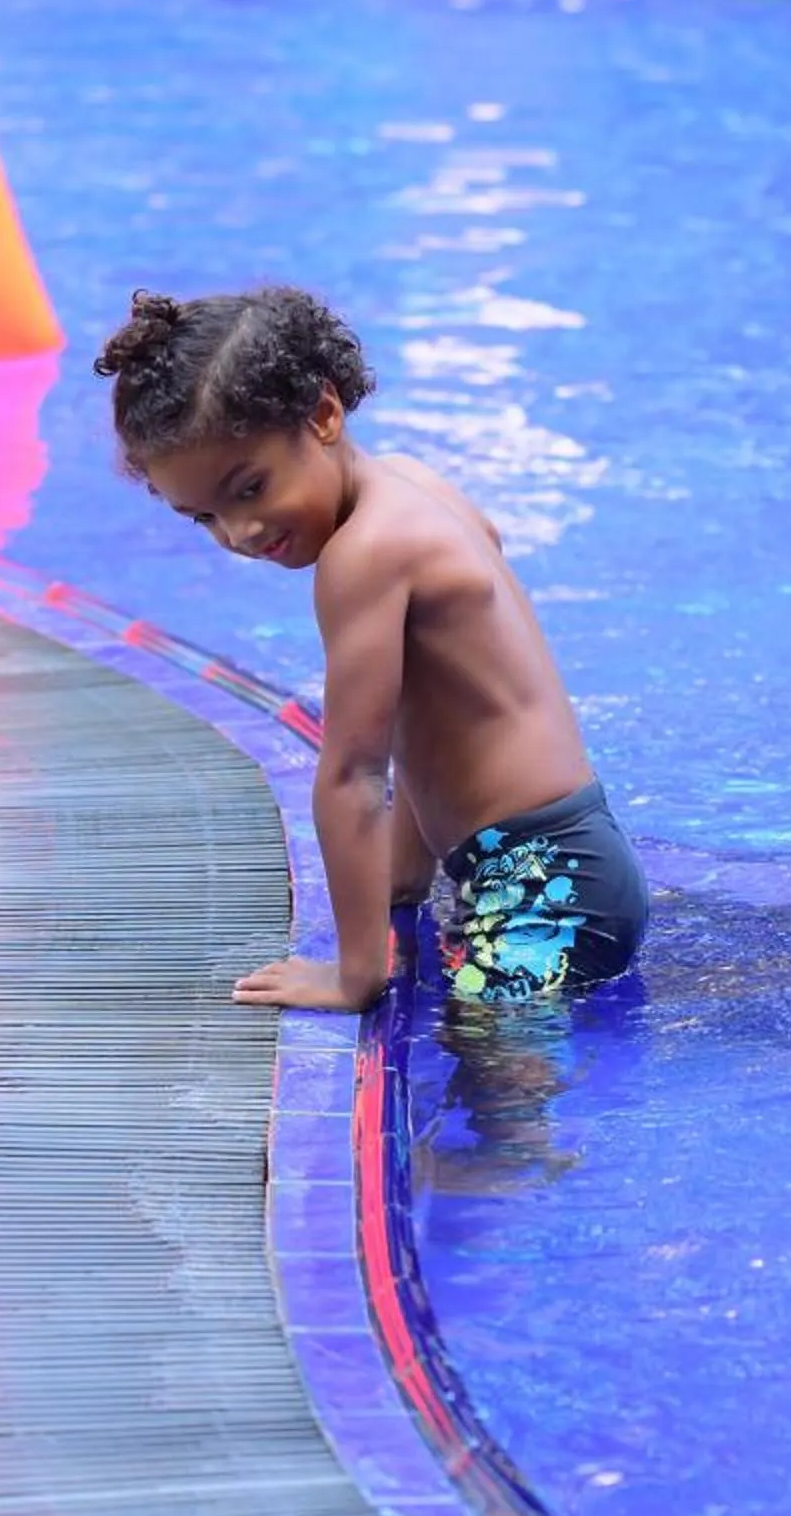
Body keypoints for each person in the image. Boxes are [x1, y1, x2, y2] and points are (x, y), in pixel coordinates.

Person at [95, 286, 648, 1012]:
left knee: (491, 1096)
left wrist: (354, 976)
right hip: (575, 864)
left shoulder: (363, 556)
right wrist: (403, 880)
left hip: (542, 891)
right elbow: (428, 722)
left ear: (323, 415)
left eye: (251, 488)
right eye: (205, 517)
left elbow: (354, 773)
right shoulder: (413, 486)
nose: (241, 533)